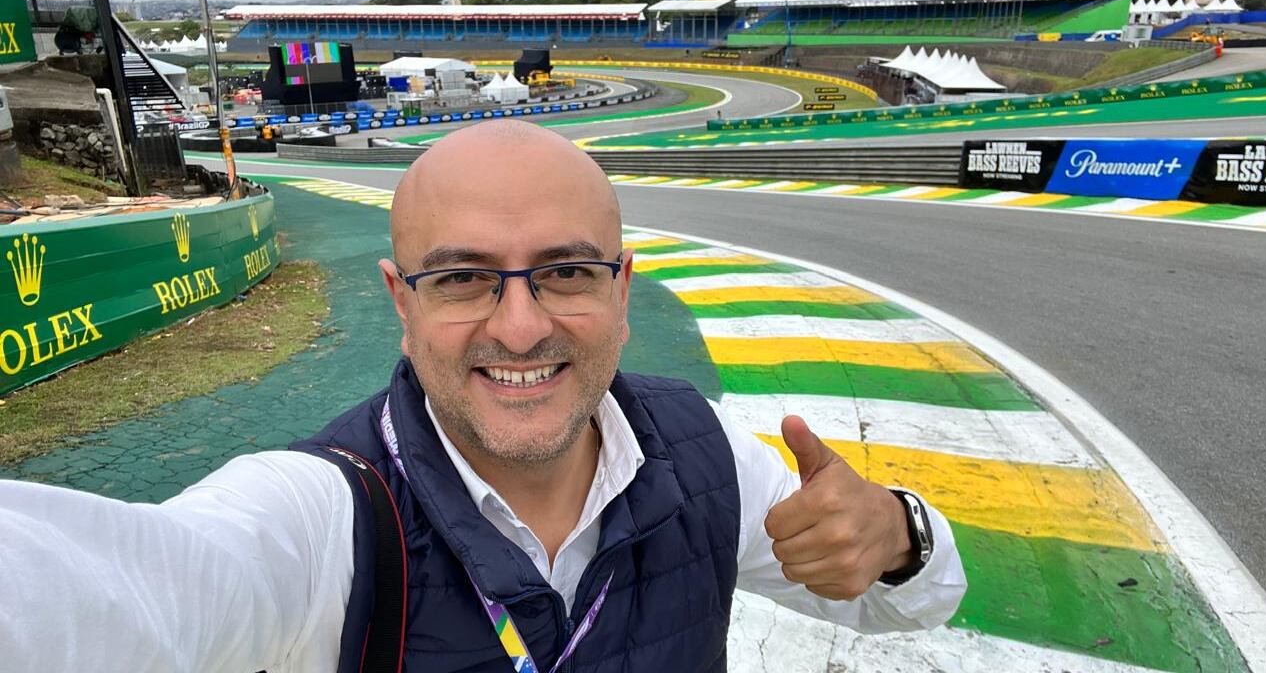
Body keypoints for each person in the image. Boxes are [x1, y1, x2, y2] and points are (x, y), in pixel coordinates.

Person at [0, 120, 965, 672]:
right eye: (463, 278)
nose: (518, 327)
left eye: (567, 272)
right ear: (400, 301)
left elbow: (914, 608)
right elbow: (130, 592)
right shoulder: (322, 515)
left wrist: (897, 535)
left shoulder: (705, 451)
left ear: (622, 289)